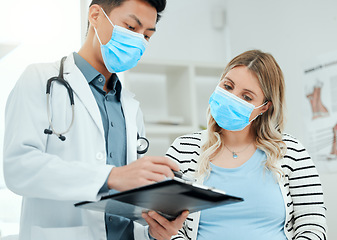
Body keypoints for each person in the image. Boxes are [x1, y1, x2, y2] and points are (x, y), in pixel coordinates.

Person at [3, 0, 188, 240]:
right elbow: (19, 168)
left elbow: (129, 205)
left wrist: (154, 231)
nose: (139, 42)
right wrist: (111, 177)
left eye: (147, 36)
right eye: (131, 27)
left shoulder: (131, 107)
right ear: (95, 15)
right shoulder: (39, 80)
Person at [166, 50, 327, 240]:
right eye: (228, 86)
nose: (232, 97)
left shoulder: (291, 152)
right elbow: (166, 224)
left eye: (247, 97)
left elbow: (312, 225)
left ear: (265, 107)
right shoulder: (183, 149)